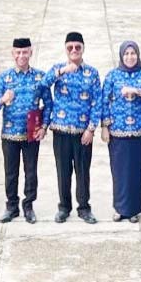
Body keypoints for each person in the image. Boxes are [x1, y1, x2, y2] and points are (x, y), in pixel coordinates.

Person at [0, 37, 52, 224]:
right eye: (18, 52)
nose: (21, 56)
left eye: (25, 52)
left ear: (31, 53)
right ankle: (11, 207)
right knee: (11, 172)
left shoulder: (40, 77)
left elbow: (49, 104)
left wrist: (44, 126)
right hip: (10, 133)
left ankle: (29, 206)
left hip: (31, 134)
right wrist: (3, 99)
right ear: (12, 54)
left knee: (31, 171)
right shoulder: (4, 78)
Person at [100, 41, 141, 223]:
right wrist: (104, 126)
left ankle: (134, 210)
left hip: (140, 131)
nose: (130, 57)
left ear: (138, 55)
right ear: (121, 56)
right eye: (126, 53)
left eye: (133, 53)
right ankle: (120, 208)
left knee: (137, 169)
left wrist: (138, 91)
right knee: (119, 170)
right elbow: (104, 102)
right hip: (118, 131)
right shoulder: (112, 76)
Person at [46, 31, 102, 224]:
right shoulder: (57, 69)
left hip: (82, 132)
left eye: (78, 47)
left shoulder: (92, 73)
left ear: (83, 48)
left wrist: (91, 129)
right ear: (66, 49)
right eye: (70, 47)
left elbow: (97, 102)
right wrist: (61, 72)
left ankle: (84, 207)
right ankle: (64, 207)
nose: (74, 50)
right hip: (61, 130)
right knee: (63, 170)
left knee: (83, 171)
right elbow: (42, 85)